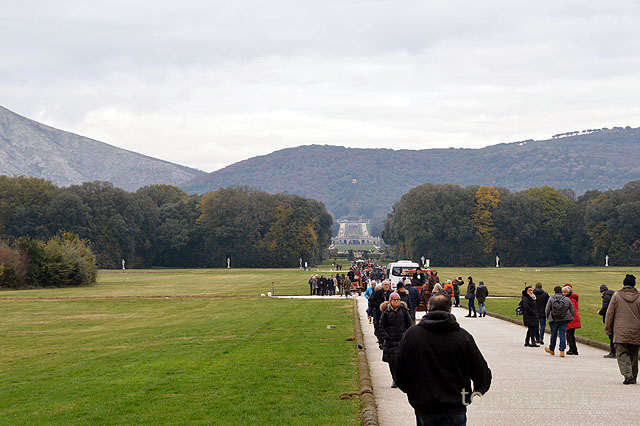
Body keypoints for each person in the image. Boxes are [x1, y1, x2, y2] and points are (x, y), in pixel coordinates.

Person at [393, 293, 492, 425]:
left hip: (424, 402)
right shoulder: (463, 337)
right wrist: (478, 389)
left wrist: (412, 390)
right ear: (450, 309)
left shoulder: (412, 335)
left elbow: (398, 369)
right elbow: (480, 370)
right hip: (454, 404)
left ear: (428, 307)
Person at [605, 274, 640, 384]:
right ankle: (633, 376)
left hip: (620, 330)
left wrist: (608, 329)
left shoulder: (616, 296)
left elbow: (610, 314)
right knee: (634, 355)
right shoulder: (639, 296)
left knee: (622, 353)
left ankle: (628, 375)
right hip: (636, 330)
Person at [379, 292, 412, 388]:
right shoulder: (386, 312)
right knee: (392, 362)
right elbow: (381, 325)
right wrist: (386, 336)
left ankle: (401, 379)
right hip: (390, 341)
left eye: (398, 300)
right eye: (394, 300)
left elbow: (409, 324)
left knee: (402, 362)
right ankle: (394, 379)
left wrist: (407, 336)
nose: (396, 302)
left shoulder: (404, 311)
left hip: (402, 340)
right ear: (390, 301)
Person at [544, 286, 575, 358]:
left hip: (554, 319)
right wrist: (569, 317)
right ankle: (562, 350)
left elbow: (547, 310)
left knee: (553, 334)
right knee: (562, 334)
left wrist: (548, 317)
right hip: (564, 320)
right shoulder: (567, 299)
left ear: (554, 291)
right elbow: (572, 310)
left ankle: (551, 349)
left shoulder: (551, 299)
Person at [370, 280, 392, 348]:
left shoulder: (390, 293)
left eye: (388, 285)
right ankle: (381, 341)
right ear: (382, 286)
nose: (387, 286)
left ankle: (386, 341)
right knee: (379, 327)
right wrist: (380, 305)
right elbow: (371, 301)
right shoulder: (378, 293)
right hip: (378, 313)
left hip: (388, 313)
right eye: (385, 285)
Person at [598, 284, 616, 358]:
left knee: (611, 335)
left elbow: (605, 308)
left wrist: (600, 312)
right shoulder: (614, 295)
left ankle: (613, 352)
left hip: (609, 318)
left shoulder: (606, 297)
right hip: (616, 318)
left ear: (602, 291)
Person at [563, 284, 581, 355]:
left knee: (570, 334)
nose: (563, 294)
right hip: (572, 318)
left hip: (571, 319)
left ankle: (573, 349)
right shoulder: (570, 298)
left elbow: (571, 310)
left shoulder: (571, 299)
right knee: (570, 334)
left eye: (565, 292)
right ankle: (573, 348)